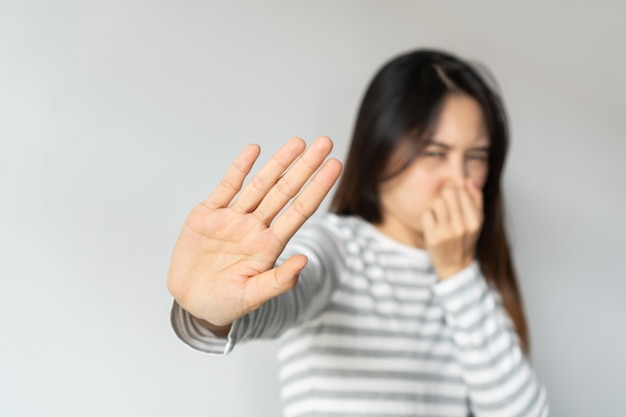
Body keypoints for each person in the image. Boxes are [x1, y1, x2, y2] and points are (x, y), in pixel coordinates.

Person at [167, 49, 549, 417]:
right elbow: (274, 299)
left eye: (476, 157)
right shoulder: (337, 248)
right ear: (380, 149)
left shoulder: (473, 282)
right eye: (435, 153)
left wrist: (459, 274)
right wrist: (207, 315)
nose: (458, 178)